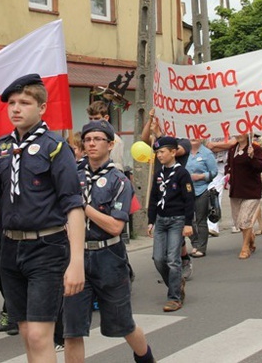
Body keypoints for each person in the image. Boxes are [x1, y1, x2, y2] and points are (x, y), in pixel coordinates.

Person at [0, 74, 85, 362]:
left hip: (48, 247)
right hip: (10, 249)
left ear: (42, 108)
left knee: (41, 335)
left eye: (25, 103)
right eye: (12, 103)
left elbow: (73, 205)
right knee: (27, 333)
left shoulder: (55, 147)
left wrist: (77, 260)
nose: (16, 108)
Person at [63, 120, 155, 363]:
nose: (91, 144)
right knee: (71, 330)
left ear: (110, 144)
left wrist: (83, 208)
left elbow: (115, 225)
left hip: (109, 257)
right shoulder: (72, 175)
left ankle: (145, 358)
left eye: (97, 139)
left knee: (122, 323)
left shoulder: (120, 181)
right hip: (76, 256)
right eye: (87, 140)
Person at [147, 136, 194, 312]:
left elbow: (189, 199)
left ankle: (174, 297)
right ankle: (176, 282)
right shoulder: (159, 173)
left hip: (177, 220)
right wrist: (151, 221)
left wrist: (188, 223)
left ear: (173, 152)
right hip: (161, 219)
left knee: (173, 260)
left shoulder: (182, 173)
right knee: (159, 259)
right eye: (157, 152)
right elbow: (153, 198)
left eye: (162, 152)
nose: (159, 155)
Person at [226, 134, 262, 259]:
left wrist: (252, 157)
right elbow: (229, 165)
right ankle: (250, 237)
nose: (238, 135)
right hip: (236, 190)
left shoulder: (255, 148)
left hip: (251, 190)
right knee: (238, 221)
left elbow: (260, 167)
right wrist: (227, 175)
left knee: (245, 219)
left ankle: (245, 247)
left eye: (241, 132)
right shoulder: (232, 149)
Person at [186, 139, 218, 258]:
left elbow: (214, 172)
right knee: (187, 219)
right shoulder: (185, 152)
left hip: (202, 190)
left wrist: (201, 176)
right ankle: (195, 243)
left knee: (201, 219)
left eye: (196, 136)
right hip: (187, 191)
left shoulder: (207, 153)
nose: (193, 139)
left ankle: (201, 248)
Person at [87, 101, 124, 170]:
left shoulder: (115, 140)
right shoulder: (87, 138)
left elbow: (117, 167)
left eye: (97, 119)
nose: (93, 122)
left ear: (106, 118)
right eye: (90, 119)